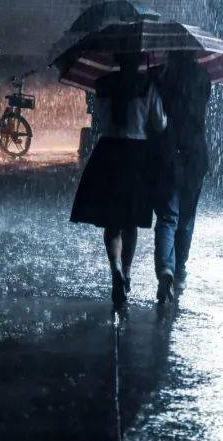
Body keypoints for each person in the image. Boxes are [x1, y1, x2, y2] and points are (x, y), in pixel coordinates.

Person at [70, 52, 166, 310]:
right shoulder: (147, 85)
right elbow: (160, 123)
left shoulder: (104, 84)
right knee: (131, 221)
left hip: (109, 152)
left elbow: (99, 119)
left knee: (112, 221)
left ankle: (114, 269)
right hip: (136, 154)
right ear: (139, 60)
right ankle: (127, 270)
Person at [153, 51, 211, 304]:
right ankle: (180, 271)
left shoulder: (161, 78)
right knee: (187, 218)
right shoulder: (203, 77)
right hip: (196, 154)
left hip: (168, 152)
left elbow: (156, 117)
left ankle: (165, 267)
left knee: (167, 216)